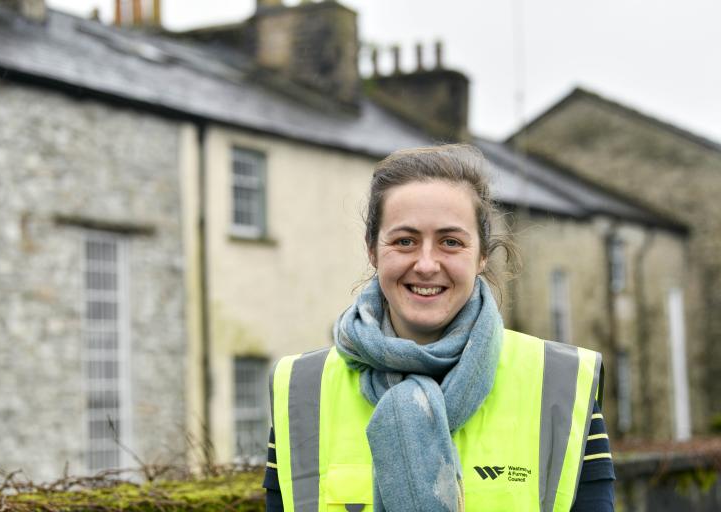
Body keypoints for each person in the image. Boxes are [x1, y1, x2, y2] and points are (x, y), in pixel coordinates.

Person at [263, 144, 615, 511]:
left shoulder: (559, 384)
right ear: (372, 250)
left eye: (450, 242)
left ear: (481, 255)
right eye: (405, 241)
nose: (427, 264)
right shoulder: (303, 389)